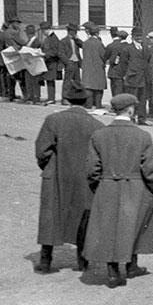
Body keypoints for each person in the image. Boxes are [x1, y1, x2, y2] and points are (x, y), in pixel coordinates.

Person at [83, 94, 153, 288]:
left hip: (107, 185)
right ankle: (132, 265)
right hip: (135, 186)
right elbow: (149, 169)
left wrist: (99, 185)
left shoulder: (99, 135)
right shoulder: (142, 136)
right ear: (131, 110)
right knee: (133, 223)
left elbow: (92, 169)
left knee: (109, 227)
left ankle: (112, 272)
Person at [33, 82, 104, 273]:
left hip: (56, 174)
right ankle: (82, 262)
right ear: (86, 102)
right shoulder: (97, 125)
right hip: (84, 178)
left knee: (51, 216)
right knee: (83, 217)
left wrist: (49, 167)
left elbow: (42, 150)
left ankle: (46, 261)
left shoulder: (53, 120)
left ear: (67, 100)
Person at [79, 23, 107, 110]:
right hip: (98, 66)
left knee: (88, 86)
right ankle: (98, 104)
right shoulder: (99, 43)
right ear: (97, 33)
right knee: (98, 86)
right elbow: (104, 55)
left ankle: (89, 104)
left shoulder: (85, 43)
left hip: (87, 66)